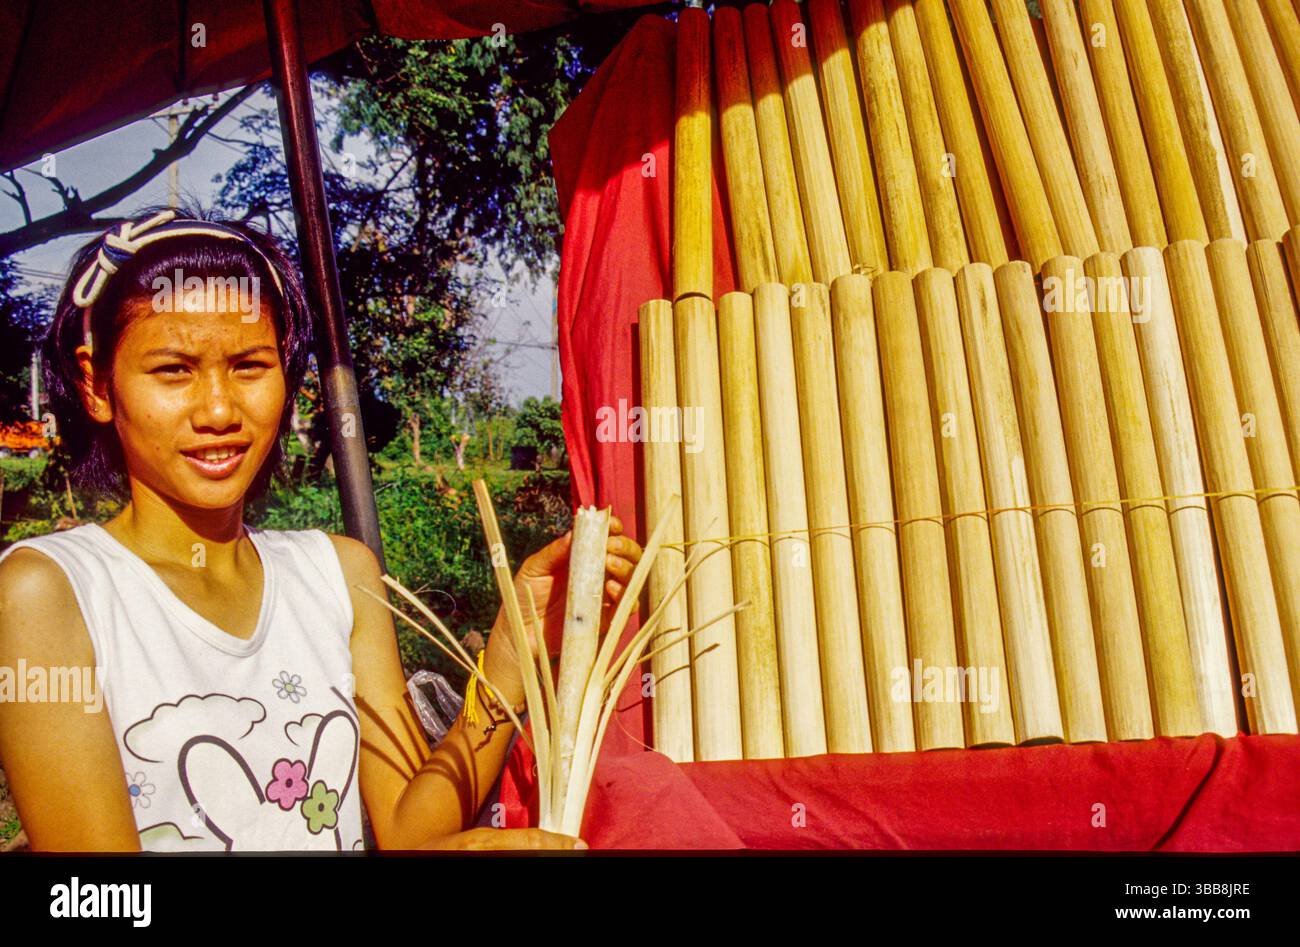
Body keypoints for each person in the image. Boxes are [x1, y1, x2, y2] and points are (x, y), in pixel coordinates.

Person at [0, 208, 641, 851]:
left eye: (250, 365)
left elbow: (412, 829)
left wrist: (508, 657)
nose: (219, 410)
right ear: (96, 384)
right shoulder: (50, 594)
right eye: (173, 370)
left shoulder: (337, 574)